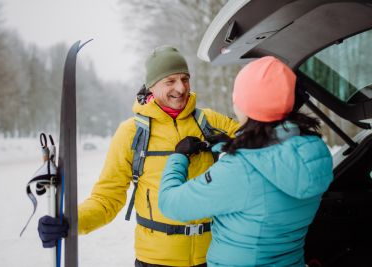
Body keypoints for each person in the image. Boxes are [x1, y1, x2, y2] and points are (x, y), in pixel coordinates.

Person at [38, 45, 240, 266]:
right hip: (155, 260)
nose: (181, 88)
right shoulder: (132, 132)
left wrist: (233, 144)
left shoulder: (210, 122)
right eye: (170, 81)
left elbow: (260, 145)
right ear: (152, 86)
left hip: (212, 256)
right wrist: (70, 221)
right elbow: (107, 198)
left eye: (185, 78)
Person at [158, 56, 334, 267]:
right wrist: (232, 145)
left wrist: (178, 157)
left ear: (246, 103)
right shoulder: (311, 151)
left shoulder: (240, 170)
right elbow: (268, 164)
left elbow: (170, 204)